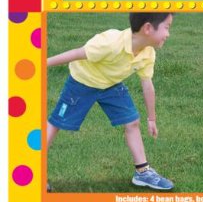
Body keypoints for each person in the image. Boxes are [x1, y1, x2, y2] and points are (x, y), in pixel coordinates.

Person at [47, 12, 174, 190]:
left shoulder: (148, 53)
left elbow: (147, 85)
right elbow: (77, 53)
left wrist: (151, 118)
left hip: (110, 84)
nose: (168, 34)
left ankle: (143, 172)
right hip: (82, 82)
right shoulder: (110, 42)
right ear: (147, 28)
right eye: (166, 27)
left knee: (132, 122)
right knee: (56, 122)